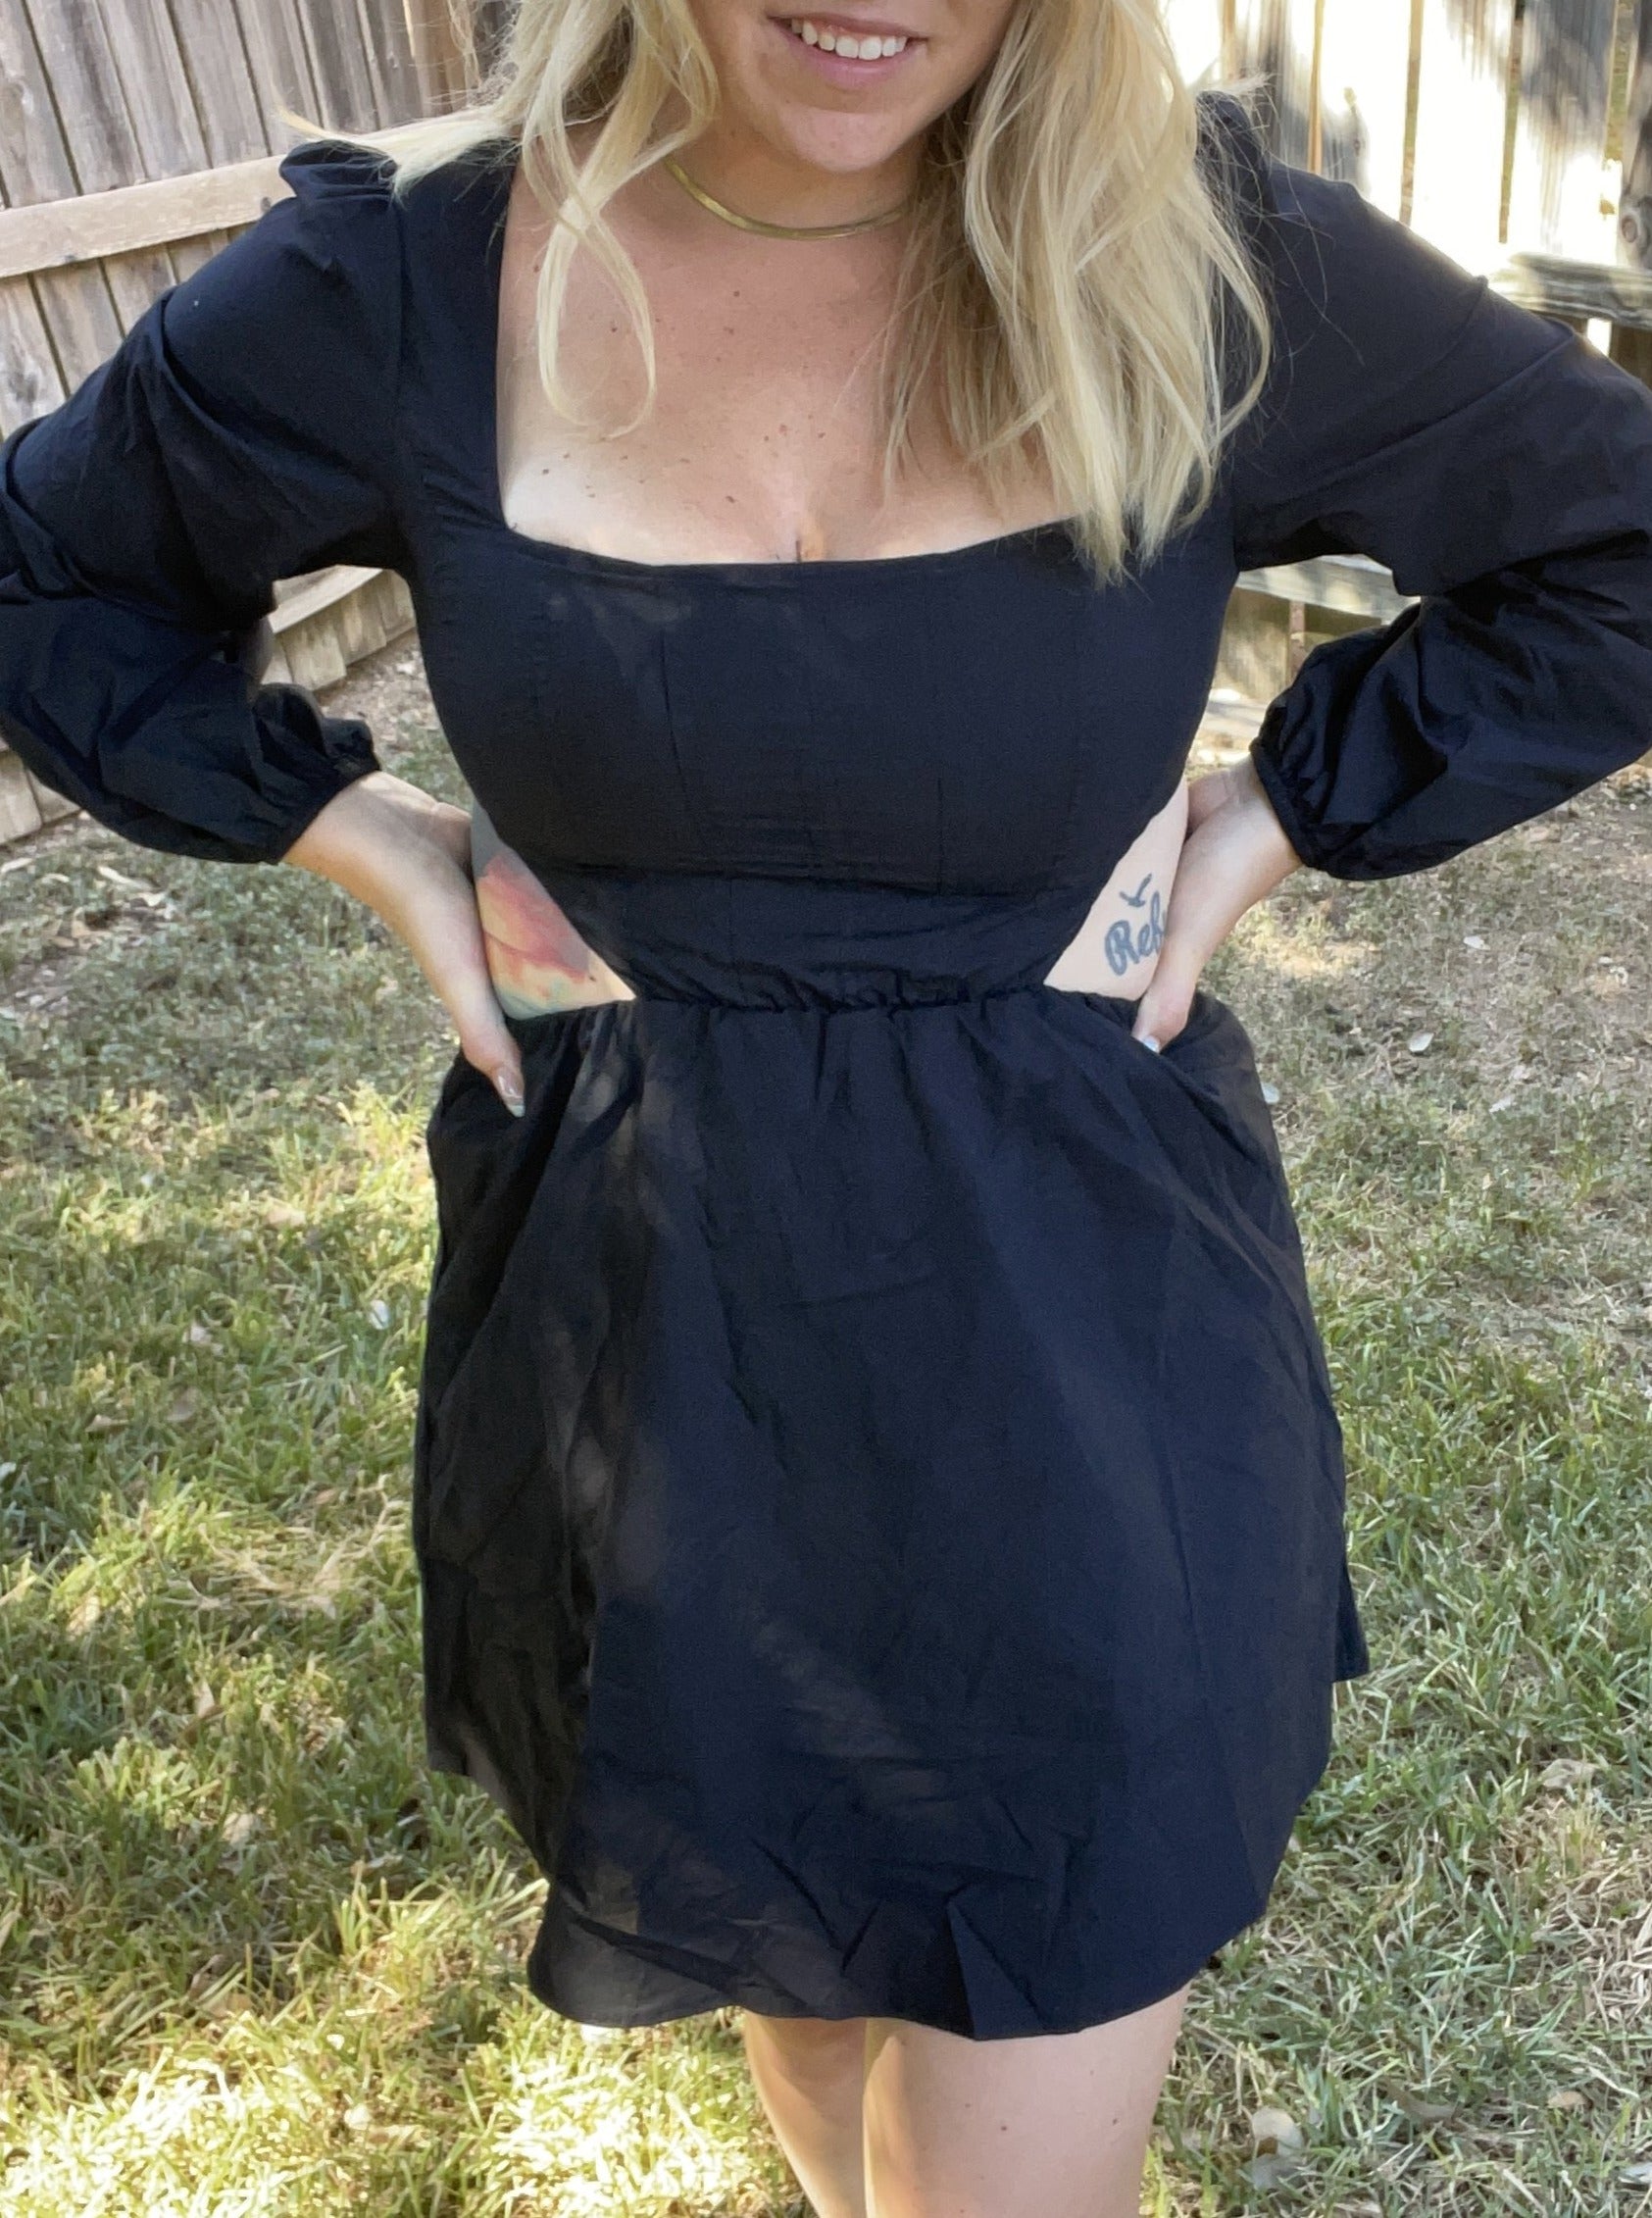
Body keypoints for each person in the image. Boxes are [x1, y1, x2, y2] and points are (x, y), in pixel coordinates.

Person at [3, 0, 1651, 2206]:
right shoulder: (408, 277)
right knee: (801, 1984)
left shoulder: (1207, 256)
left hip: (1077, 1340)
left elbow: (1617, 546)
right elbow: (47, 576)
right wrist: (371, 841)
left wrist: (1278, 818)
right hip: (644, 1344)